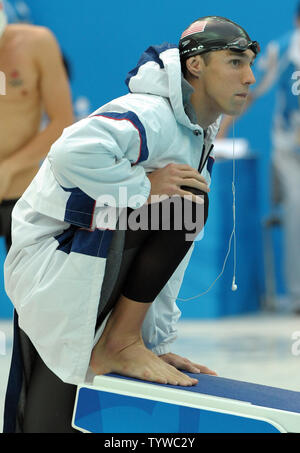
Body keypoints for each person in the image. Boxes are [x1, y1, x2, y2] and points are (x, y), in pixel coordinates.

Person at [3, 16, 258, 433]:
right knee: (186, 200)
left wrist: (152, 344)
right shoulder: (150, 114)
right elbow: (71, 151)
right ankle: (119, 342)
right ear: (196, 66)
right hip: (57, 260)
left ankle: (123, 340)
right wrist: (145, 185)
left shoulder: (195, 131)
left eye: (249, 64)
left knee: (55, 419)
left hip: (94, 257)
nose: (249, 77)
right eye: (234, 63)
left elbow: (164, 261)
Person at [218, 3, 300, 315]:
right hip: (290, 153)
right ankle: (297, 297)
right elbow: (247, 92)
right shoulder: (281, 51)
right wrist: (219, 138)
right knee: (296, 206)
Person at [0, 0, 74, 252]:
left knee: (30, 291)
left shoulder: (37, 43)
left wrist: (8, 169)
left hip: (23, 193)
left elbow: (63, 121)